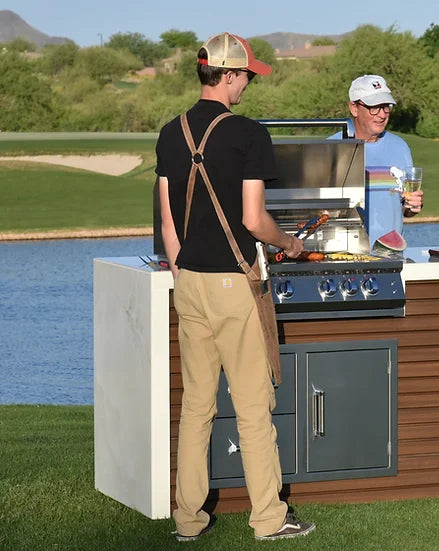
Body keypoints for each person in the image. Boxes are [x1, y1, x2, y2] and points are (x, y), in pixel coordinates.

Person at [155, 32, 315, 541]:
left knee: (197, 405)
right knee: (252, 405)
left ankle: (188, 521)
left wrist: (183, 273)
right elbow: (253, 219)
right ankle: (269, 519)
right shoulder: (248, 134)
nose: (248, 83)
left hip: (190, 283)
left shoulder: (169, 132)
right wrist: (288, 242)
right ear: (227, 75)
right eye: (245, 75)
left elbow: (168, 225)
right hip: (233, 284)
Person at [329, 74, 423, 245]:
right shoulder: (332, 148)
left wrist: (413, 207)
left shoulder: (400, 147)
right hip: (343, 258)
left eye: (386, 107)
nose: (382, 115)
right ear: (354, 108)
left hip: (392, 254)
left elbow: (405, 209)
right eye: (374, 107)